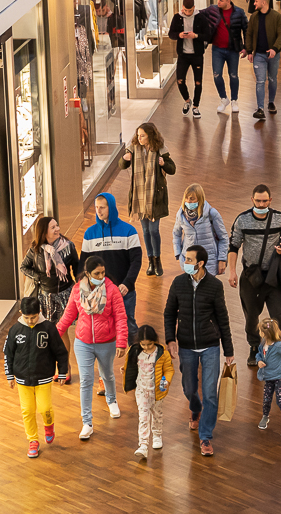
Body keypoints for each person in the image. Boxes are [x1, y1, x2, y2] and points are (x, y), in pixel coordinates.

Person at [165, 244, 236, 456]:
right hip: (186, 345)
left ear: (200, 263)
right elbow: (169, 313)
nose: (185, 262)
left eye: (188, 259)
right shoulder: (178, 283)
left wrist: (229, 350)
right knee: (189, 388)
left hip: (210, 346)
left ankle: (205, 437)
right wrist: (170, 339)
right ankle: (195, 409)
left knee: (210, 395)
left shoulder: (214, 286)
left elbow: (222, 318)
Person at [56, 255, 128, 441]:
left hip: (107, 342)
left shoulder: (112, 290)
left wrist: (121, 342)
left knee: (107, 374)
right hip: (83, 342)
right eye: (97, 273)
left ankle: (111, 400)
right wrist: (54, 335)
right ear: (87, 273)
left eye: (103, 272)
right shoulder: (77, 290)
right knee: (87, 380)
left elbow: (120, 317)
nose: (101, 276)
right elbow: (68, 315)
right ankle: (87, 422)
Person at [228, 185, 281, 367]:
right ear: (252, 200)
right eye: (258, 201)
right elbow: (233, 246)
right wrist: (232, 271)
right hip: (251, 277)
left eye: (264, 201)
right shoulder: (242, 220)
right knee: (251, 315)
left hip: (274, 277)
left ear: (270, 201)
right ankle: (254, 347)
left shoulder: (279, 219)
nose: (261, 204)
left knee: (279, 315)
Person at [3, 297, 69, 458]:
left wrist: (62, 372)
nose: (30, 320)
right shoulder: (15, 330)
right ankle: (33, 440)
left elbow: (60, 352)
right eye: (27, 317)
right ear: (21, 314)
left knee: (45, 408)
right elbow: (8, 354)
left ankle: (49, 426)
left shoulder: (48, 328)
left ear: (39, 312)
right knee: (27, 410)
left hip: (44, 377)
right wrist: (9, 374)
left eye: (33, 317)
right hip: (22, 379)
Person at [19, 216, 80, 367]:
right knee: (49, 332)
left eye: (57, 226)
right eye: (53, 227)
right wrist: (38, 276)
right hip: (45, 297)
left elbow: (77, 268)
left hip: (65, 294)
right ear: (44, 232)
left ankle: (65, 367)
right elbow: (24, 267)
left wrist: (81, 285)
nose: (57, 229)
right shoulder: (35, 250)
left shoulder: (68, 246)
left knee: (62, 331)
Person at [82, 192, 142, 344]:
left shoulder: (129, 231)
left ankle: (134, 359)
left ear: (111, 208)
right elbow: (83, 264)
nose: (98, 211)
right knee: (102, 328)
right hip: (98, 292)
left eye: (102, 207)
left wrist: (127, 283)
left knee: (129, 324)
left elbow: (136, 261)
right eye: (96, 207)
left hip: (125, 290)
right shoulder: (90, 234)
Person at [121, 122, 176, 277]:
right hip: (139, 197)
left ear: (150, 136)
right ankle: (150, 261)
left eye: (142, 135)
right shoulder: (132, 149)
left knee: (154, 230)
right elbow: (122, 165)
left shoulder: (160, 150)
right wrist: (125, 159)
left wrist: (163, 163)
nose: (139, 138)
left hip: (155, 198)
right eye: (138, 135)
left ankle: (158, 260)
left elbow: (172, 169)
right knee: (145, 231)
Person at [122, 325, 175, 461]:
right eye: (143, 344)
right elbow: (132, 366)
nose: (146, 347)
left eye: (149, 344)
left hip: (157, 392)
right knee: (143, 417)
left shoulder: (162, 353)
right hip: (141, 391)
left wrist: (166, 381)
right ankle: (143, 445)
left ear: (155, 341)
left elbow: (169, 369)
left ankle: (157, 435)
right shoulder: (135, 352)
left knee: (157, 415)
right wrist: (125, 370)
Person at [168, 0, 213, 117]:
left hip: (197, 55)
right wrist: (179, 35)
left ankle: (196, 106)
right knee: (180, 80)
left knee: (198, 82)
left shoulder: (201, 18)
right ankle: (187, 101)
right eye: (185, 11)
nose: (187, 13)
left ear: (194, 8)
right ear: (182, 8)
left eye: (190, 11)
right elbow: (171, 34)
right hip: (183, 55)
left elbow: (208, 36)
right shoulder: (177, 18)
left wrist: (196, 36)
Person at [172, 183, 228, 275]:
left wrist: (222, 259)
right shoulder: (181, 215)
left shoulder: (212, 213)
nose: (188, 201)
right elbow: (176, 234)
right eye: (186, 198)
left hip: (209, 263)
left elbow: (223, 237)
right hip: (189, 262)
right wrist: (178, 254)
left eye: (192, 198)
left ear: (200, 198)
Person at [207, 0, 248, 115]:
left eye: (221, 0)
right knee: (217, 74)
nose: (218, 2)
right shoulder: (213, 10)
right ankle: (224, 98)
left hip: (233, 49)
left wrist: (247, 47)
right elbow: (200, 15)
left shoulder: (239, 12)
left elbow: (247, 30)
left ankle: (234, 100)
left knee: (233, 75)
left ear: (228, 1)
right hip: (217, 49)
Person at [246, 0, 281, 120]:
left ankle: (271, 102)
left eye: (256, 1)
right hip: (259, 55)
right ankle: (260, 109)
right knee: (260, 81)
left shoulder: (277, 17)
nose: (254, 3)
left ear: (263, 3)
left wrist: (274, 49)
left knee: (272, 79)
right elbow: (249, 34)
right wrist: (250, 51)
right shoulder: (254, 17)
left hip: (273, 55)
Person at [256, 318, 281, 437]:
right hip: (268, 376)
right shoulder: (263, 343)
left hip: (280, 377)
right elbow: (259, 354)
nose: (259, 333)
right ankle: (265, 416)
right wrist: (259, 361)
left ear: (266, 333)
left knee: (280, 401)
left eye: (261, 331)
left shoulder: (279, 346)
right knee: (266, 399)